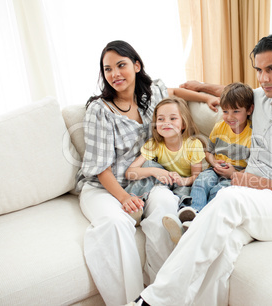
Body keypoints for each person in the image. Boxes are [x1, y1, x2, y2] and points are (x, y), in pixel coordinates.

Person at [128, 33, 272, 306]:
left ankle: (151, 301)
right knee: (221, 249)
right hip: (249, 196)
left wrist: (253, 181)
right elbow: (232, 91)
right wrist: (201, 86)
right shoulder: (261, 100)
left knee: (228, 198)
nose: (263, 79)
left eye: (271, 69)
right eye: (259, 70)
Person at [75, 40, 220, 306]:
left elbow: (174, 92)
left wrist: (207, 97)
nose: (115, 74)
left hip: (148, 179)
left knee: (167, 207)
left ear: (136, 66)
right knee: (117, 224)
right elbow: (100, 168)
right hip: (104, 186)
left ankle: (164, 296)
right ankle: (130, 301)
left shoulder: (150, 94)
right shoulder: (99, 110)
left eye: (121, 65)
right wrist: (122, 198)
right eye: (108, 69)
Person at [164, 82, 254, 241]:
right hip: (215, 168)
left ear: (249, 110)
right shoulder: (220, 127)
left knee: (219, 191)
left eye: (236, 111)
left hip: (236, 176)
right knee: (200, 182)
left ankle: (204, 222)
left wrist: (234, 173)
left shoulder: (252, 135)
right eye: (225, 111)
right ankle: (193, 214)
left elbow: (254, 166)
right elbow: (208, 152)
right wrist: (214, 163)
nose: (229, 117)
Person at [124, 97, 206, 244]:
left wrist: (184, 180)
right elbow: (130, 172)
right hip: (163, 181)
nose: (166, 123)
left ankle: (182, 223)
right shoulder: (154, 145)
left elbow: (197, 176)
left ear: (183, 123)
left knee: (193, 190)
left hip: (182, 185)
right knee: (149, 165)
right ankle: (136, 205)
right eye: (161, 119)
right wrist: (155, 172)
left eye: (173, 118)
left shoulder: (193, 144)